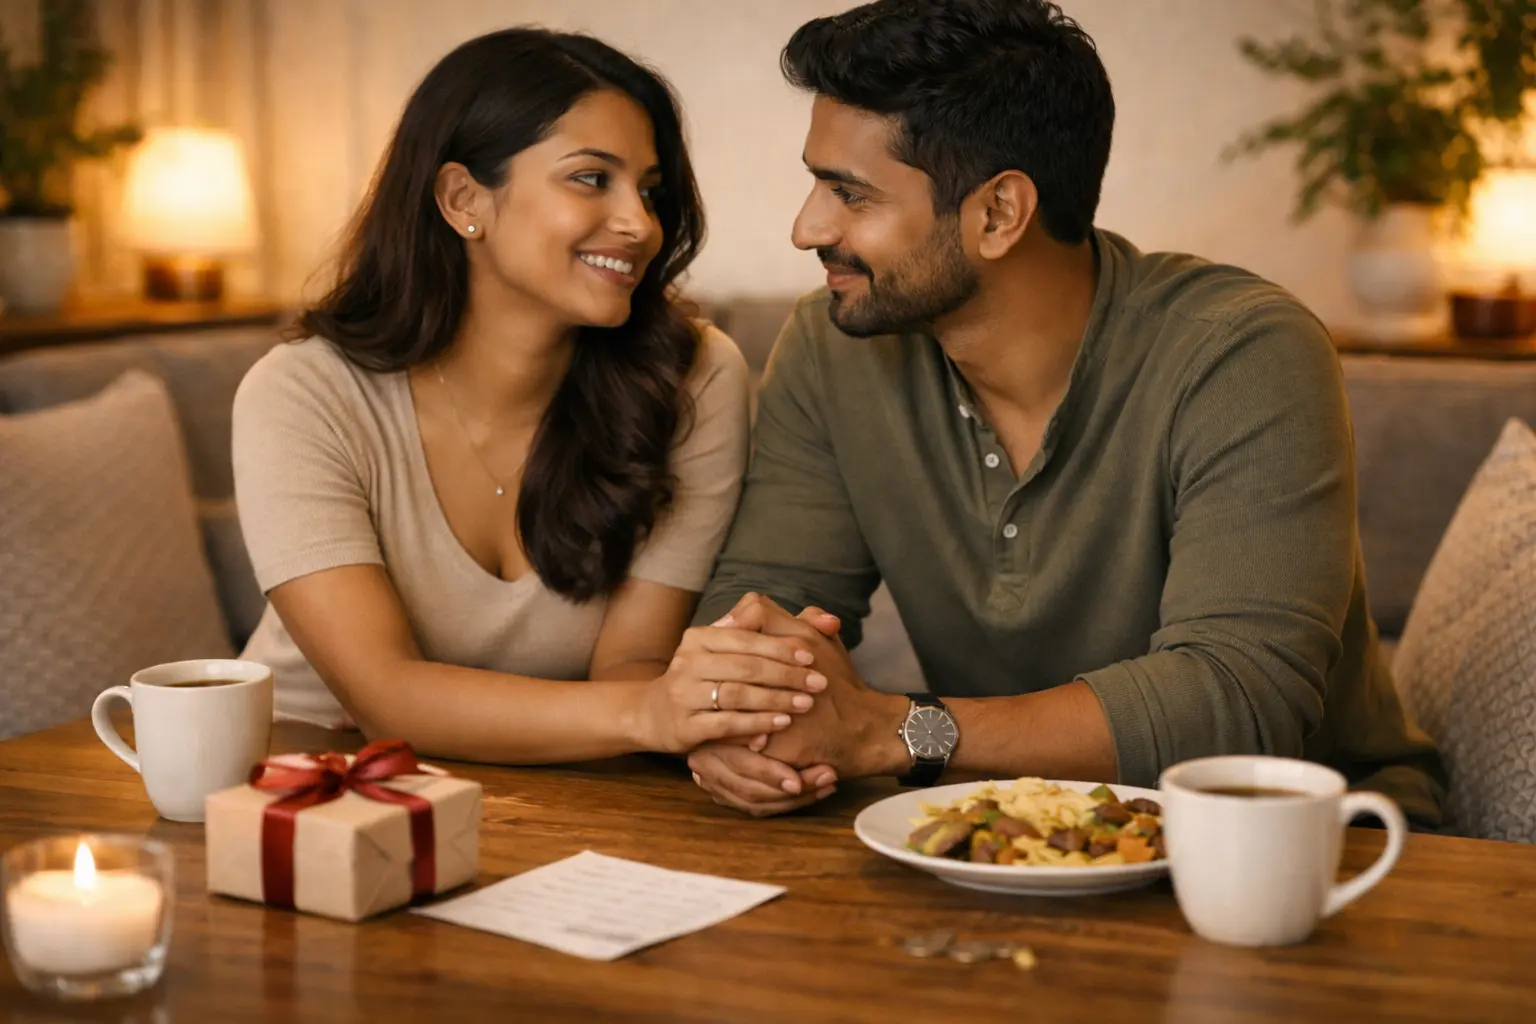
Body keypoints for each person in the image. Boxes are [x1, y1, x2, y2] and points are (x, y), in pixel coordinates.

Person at [684, 0, 1445, 825]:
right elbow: (762, 605)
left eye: (849, 193)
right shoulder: (835, 345)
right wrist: (739, 716)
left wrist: (898, 731)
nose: (807, 228)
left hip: (1301, 850)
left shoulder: (1243, 353)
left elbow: (1239, 700)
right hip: (982, 834)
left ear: (999, 213)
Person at [232, 28, 828, 764]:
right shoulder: (303, 393)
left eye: (649, 190)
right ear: (462, 199)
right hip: (319, 778)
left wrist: (723, 721)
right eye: (590, 178)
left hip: (574, 788)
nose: (641, 225)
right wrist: (660, 713)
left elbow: (634, 666)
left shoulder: (695, 377)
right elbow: (381, 696)